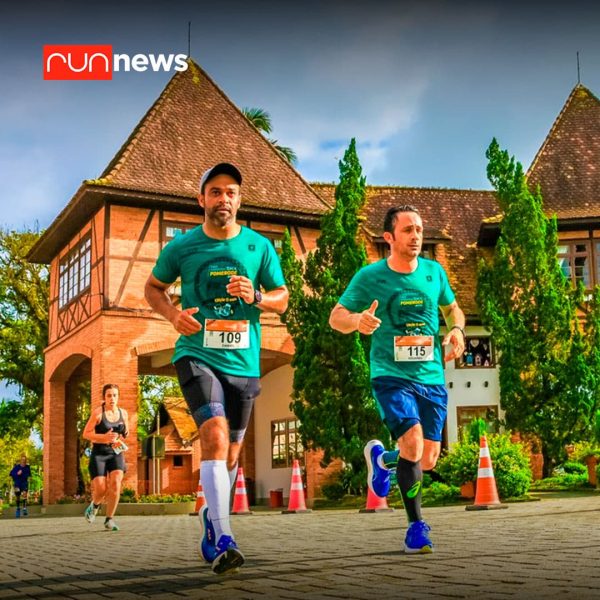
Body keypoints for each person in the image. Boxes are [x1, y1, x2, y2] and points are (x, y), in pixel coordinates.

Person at [144, 162, 288, 575]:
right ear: (201, 199)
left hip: (243, 361)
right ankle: (225, 536)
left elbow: (283, 297)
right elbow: (153, 288)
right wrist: (172, 316)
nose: (223, 198)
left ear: (239, 200)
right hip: (196, 353)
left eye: (231, 192)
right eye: (215, 191)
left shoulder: (259, 247)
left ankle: (212, 519)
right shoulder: (182, 248)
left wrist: (258, 296)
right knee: (215, 434)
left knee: (230, 456)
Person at [329, 205, 465, 553]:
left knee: (429, 458)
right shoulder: (370, 276)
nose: (416, 235)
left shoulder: (435, 272)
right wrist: (357, 320)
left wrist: (458, 331)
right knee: (414, 442)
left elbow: (452, 309)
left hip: (431, 376)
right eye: (407, 230)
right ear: (389, 237)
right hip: (391, 375)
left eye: (419, 229)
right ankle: (416, 526)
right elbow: (336, 317)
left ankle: (383, 460)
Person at [82, 383, 130, 531]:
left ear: (118, 397)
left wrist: (123, 433)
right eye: (109, 395)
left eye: (115, 395)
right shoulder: (98, 413)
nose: (112, 398)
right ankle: (95, 505)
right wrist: (105, 437)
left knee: (116, 483)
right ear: (104, 397)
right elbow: (86, 434)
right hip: (99, 454)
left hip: (115, 452)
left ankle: (109, 519)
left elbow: (127, 432)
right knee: (101, 490)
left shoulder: (124, 413)